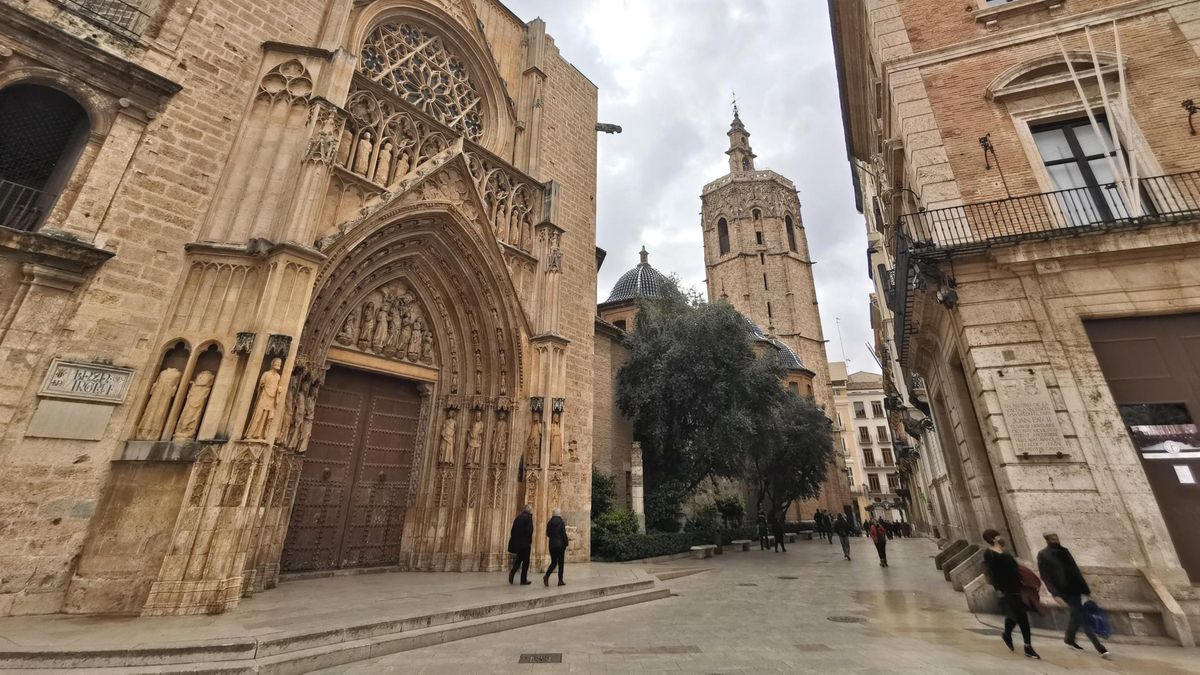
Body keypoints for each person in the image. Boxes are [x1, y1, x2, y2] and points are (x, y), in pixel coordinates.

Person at [1037, 533, 1110, 659]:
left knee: (1076, 616)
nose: (1056, 541)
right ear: (1048, 540)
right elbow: (1045, 576)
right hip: (1062, 591)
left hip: (1075, 588)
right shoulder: (1043, 554)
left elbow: (1075, 570)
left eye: (1057, 539)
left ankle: (1069, 638)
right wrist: (1054, 594)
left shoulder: (1065, 551)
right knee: (1081, 616)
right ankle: (1100, 648)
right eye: (1053, 539)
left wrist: (1085, 590)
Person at [982, 529, 1040, 660]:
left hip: (1018, 587)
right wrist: (999, 590)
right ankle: (1028, 647)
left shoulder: (1005, 552)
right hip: (1006, 589)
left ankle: (1007, 634)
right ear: (993, 538)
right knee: (1022, 617)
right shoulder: (989, 554)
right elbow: (991, 573)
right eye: (998, 535)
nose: (1001, 537)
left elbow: (1016, 568)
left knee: (1014, 616)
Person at [507, 504, 534, 585]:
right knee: (526, 562)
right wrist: (528, 541)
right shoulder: (528, 518)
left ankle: (512, 573)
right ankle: (523, 580)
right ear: (529, 510)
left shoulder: (518, 517)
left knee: (519, 560)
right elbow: (529, 531)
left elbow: (512, 531)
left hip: (518, 543)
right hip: (525, 544)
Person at [543, 508, 569, 587]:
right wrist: (566, 543)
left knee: (554, 562)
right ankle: (560, 580)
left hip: (552, 545)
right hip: (560, 545)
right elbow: (563, 534)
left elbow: (548, 534)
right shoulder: (561, 522)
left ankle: (546, 576)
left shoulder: (549, 523)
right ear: (559, 514)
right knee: (560, 563)